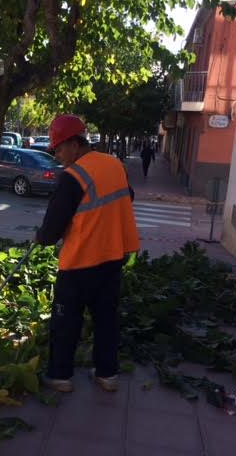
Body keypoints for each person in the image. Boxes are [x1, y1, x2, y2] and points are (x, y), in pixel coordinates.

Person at [35, 114, 140, 392]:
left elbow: (51, 231)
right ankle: (107, 375)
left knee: (65, 321)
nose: (57, 155)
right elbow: (127, 196)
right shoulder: (114, 164)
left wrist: (41, 236)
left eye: (58, 148)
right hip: (113, 258)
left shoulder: (73, 177)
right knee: (106, 319)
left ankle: (60, 376)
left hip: (80, 263)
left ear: (73, 143)